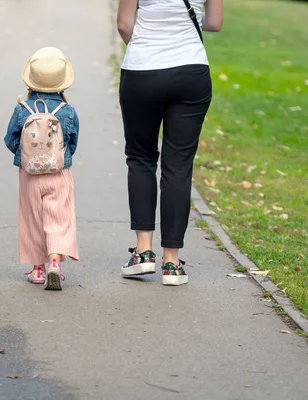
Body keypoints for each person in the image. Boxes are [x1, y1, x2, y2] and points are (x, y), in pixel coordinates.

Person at [117, 0, 224, 285]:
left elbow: (125, 24)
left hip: (143, 70)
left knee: (140, 158)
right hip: (191, 71)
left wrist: (146, 47)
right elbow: (214, 23)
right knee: (178, 166)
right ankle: (172, 263)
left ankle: (143, 253)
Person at [4, 47, 80, 291]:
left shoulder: (22, 109)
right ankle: (55, 264)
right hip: (58, 174)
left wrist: (26, 155)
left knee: (32, 218)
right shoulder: (67, 111)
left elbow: (10, 140)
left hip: (29, 175)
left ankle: (37, 269)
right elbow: (73, 141)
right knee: (58, 217)